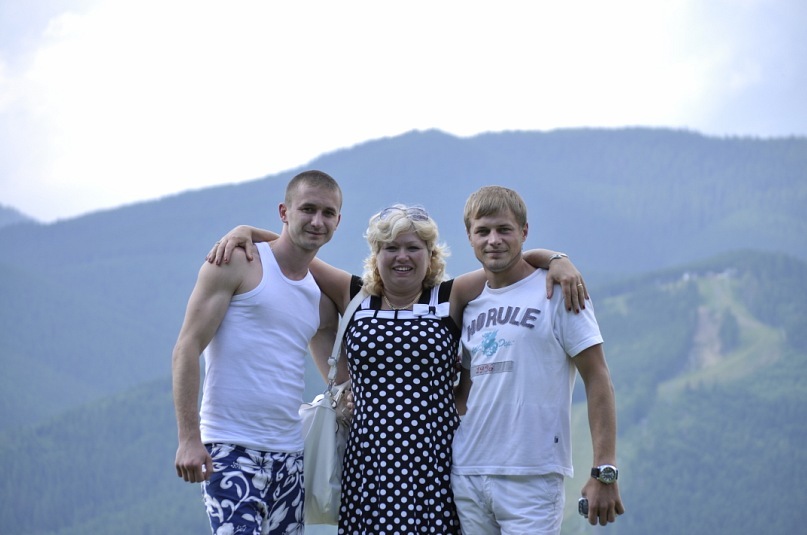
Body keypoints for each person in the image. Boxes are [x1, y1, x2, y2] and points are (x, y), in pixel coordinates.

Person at [208, 203, 588, 534]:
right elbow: (294, 248)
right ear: (376, 254)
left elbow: (507, 261)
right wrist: (247, 231)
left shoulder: (450, 296)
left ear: (430, 254)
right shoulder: (354, 294)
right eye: (390, 248)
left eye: (413, 248)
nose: (401, 257)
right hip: (368, 464)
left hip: (435, 463)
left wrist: (557, 259)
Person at [171, 170, 349, 535]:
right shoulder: (238, 262)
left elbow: (340, 377)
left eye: (327, 213)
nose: (317, 221)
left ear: (338, 221)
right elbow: (186, 347)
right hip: (230, 448)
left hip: (291, 456)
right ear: (284, 212)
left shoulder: (319, 298)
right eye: (308, 209)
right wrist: (189, 439)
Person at [452, 186, 625, 534]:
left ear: (524, 231)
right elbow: (465, 394)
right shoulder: (469, 301)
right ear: (469, 237)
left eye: (504, 229)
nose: (493, 240)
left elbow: (598, 378)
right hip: (468, 473)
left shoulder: (559, 290)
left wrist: (604, 470)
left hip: (532, 477)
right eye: (483, 231)